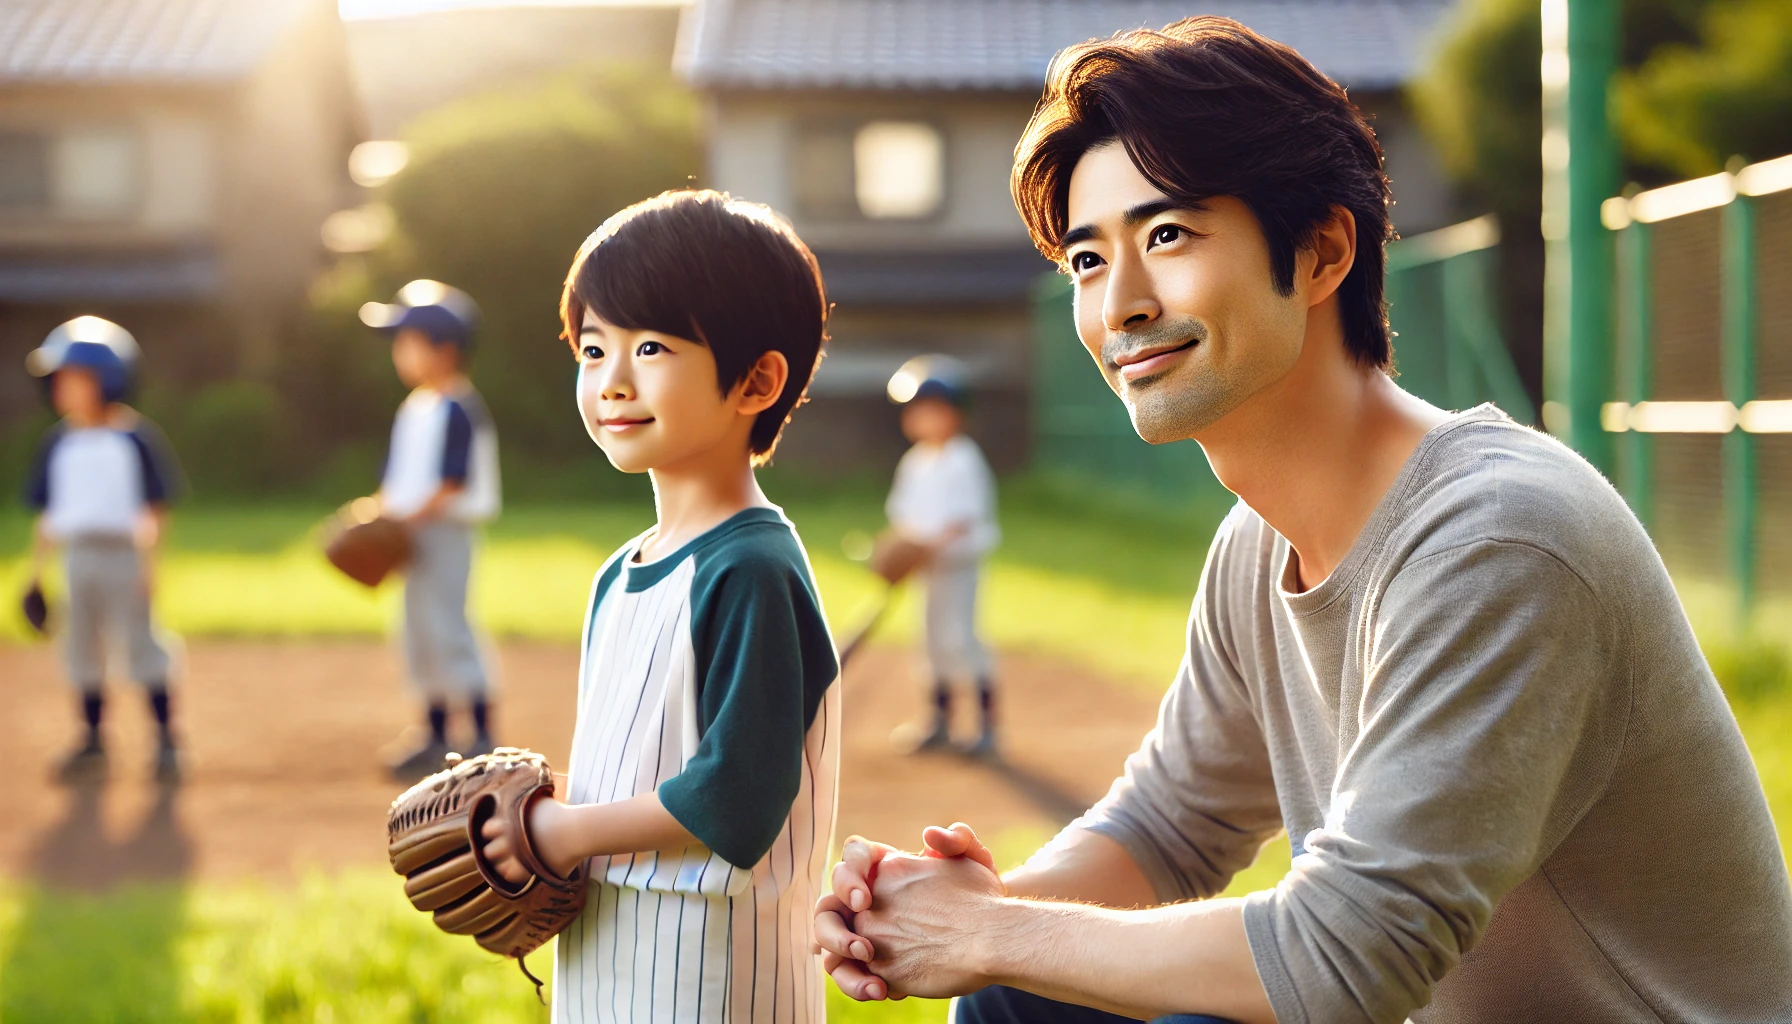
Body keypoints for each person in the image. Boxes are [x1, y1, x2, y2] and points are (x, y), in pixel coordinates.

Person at [814, 17, 1792, 1024]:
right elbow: (1170, 822)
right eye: (1087, 261)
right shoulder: (1257, 540)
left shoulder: (1498, 540)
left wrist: (988, 934)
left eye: (1168, 236)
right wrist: (977, 908)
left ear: (1323, 250)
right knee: (1017, 1002)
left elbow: (1344, 960)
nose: (1122, 305)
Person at [475, 190, 841, 1023]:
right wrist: (550, 805)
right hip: (607, 943)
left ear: (758, 381)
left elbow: (738, 797)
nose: (612, 381)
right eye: (593, 347)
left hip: (715, 972)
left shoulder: (750, 567)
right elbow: (644, 764)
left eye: (649, 346)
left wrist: (564, 833)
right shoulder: (623, 571)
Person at [22, 316, 185, 783]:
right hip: (75, 556)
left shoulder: (134, 438)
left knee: (141, 645)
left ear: (109, 380)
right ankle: (92, 739)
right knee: (79, 648)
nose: (61, 390)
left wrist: (151, 565)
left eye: (72, 379)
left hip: (123, 554)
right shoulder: (58, 443)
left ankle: (166, 738)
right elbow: (49, 514)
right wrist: (36, 572)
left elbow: (156, 508)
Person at [359, 280, 502, 780]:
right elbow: (396, 481)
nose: (400, 353)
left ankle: (482, 733)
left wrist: (402, 519)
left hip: (444, 535)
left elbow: (450, 482)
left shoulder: (458, 406)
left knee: (449, 626)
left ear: (444, 349)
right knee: (416, 632)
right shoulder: (416, 407)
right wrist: (375, 514)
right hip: (410, 537)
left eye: (408, 341)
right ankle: (436, 734)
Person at [883, 355, 1001, 757]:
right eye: (916, 411)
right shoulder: (915, 462)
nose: (922, 419)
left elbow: (962, 524)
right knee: (930, 642)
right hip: (926, 572)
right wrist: (900, 550)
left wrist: (924, 547)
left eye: (932, 410)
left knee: (960, 639)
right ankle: (939, 721)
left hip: (958, 568)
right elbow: (903, 518)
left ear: (955, 414)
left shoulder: (963, 459)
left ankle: (986, 727)